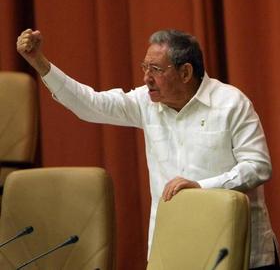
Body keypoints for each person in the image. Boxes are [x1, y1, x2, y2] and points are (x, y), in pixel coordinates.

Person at [17, 28, 279, 269]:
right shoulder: (145, 102)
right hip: (173, 250)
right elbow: (90, 104)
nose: (146, 78)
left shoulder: (231, 103)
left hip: (239, 252)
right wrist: (40, 63)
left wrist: (203, 187)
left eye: (155, 69)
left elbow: (258, 166)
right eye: (145, 68)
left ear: (185, 72)